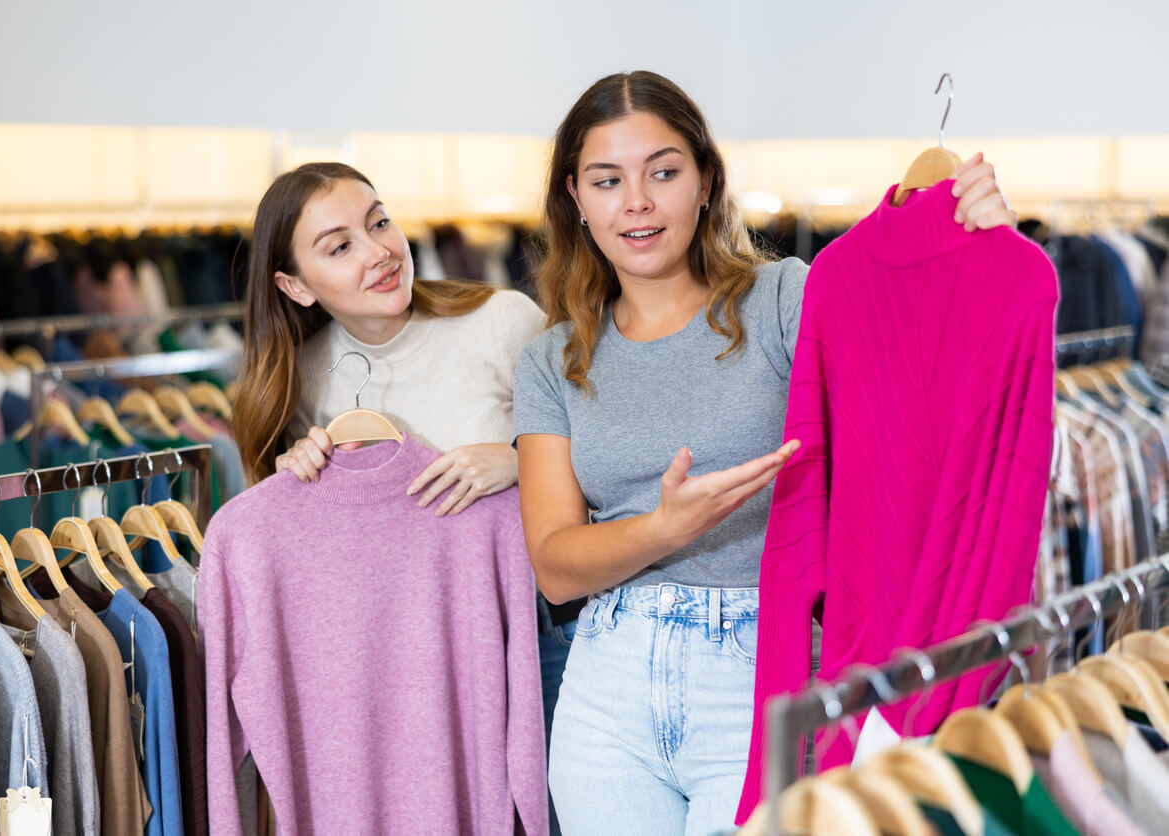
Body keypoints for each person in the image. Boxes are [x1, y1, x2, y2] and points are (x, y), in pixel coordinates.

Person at [513, 70, 1017, 835]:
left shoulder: (784, 299)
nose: (638, 201)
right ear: (576, 201)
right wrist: (665, 528)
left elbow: (916, 401)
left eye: (664, 171)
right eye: (608, 180)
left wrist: (974, 250)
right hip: (607, 690)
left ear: (706, 182)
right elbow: (553, 565)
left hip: (766, 677)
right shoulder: (552, 358)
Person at [232, 161, 578, 833]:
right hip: (406, 673)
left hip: (536, 644)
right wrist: (291, 469)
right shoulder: (297, 383)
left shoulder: (502, 323)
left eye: (379, 222)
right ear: (294, 285)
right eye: (340, 247)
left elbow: (607, 463)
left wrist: (519, 461)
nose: (379, 252)